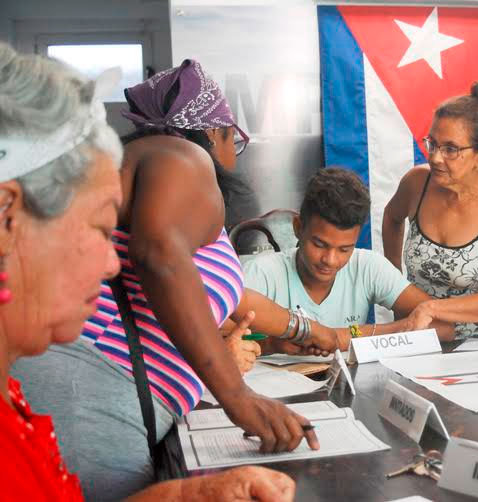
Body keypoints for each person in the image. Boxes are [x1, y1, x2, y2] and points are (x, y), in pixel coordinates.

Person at [12, 58, 331, 500]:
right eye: (233, 140)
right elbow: (159, 257)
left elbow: (213, 292)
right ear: (216, 133)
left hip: (109, 389)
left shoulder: (160, 171)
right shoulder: (182, 156)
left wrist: (309, 330)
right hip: (90, 385)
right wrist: (237, 396)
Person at [242, 167, 454, 342]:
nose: (330, 260)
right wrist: (274, 346)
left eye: (344, 249)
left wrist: (347, 334)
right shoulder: (261, 274)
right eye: (319, 244)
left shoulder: (368, 266)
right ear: (298, 227)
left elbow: (443, 326)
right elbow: (216, 338)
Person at [382, 82, 478, 339]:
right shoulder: (416, 182)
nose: (435, 157)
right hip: (417, 337)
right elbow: (392, 218)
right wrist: (395, 286)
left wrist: (431, 308)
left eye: (450, 149)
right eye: (432, 144)